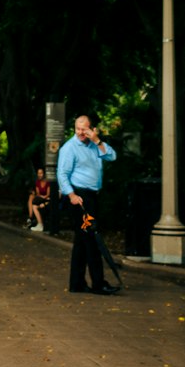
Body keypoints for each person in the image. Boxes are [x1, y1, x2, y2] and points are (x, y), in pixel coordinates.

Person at [56, 113, 118, 295]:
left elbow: (112, 157)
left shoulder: (94, 145)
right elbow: (62, 174)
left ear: (92, 129)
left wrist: (97, 141)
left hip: (92, 197)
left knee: (82, 241)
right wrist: (72, 195)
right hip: (80, 199)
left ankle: (77, 283)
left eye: (85, 129)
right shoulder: (69, 148)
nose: (81, 132)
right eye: (78, 129)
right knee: (91, 238)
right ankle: (99, 283)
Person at [27, 168, 50, 232]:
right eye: (38, 173)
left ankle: (38, 223)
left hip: (47, 199)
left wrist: (44, 197)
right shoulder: (37, 182)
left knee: (40, 205)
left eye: (41, 173)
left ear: (44, 174)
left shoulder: (47, 182)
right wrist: (41, 197)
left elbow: (48, 194)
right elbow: (38, 193)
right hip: (40, 198)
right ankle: (34, 220)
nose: (40, 175)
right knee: (32, 200)